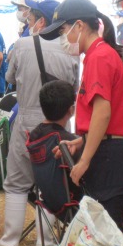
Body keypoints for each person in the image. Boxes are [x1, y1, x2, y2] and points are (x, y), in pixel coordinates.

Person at [40, 0, 123, 234]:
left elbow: (103, 114)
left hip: (110, 158)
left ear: (79, 26)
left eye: (63, 31)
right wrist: (81, 141)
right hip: (110, 152)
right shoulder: (98, 55)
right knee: (104, 233)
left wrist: (84, 161)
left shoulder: (99, 57)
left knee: (107, 237)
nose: (63, 39)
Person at [0, 0, 79, 246]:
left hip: (27, 120)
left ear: (42, 21)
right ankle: (45, 240)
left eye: (30, 17)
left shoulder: (22, 44)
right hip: (59, 126)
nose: (27, 21)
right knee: (52, 182)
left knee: (17, 181)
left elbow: (9, 77)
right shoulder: (71, 51)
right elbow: (74, 88)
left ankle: (10, 239)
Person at [27, 80, 83, 214]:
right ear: (71, 110)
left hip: (50, 203)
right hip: (75, 205)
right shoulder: (66, 141)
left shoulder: (34, 135)